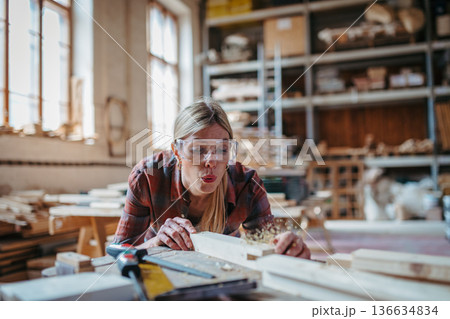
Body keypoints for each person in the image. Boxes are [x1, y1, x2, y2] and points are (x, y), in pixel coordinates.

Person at [113, 97, 310, 259]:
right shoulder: (148, 177)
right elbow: (119, 251)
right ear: (177, 151)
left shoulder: (247, 184)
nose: (211, 162)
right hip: (163, 265)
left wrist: (287, 249)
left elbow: (268, 246)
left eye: (222, 149)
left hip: (223, 267)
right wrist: (155, 243)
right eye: (199, 149)